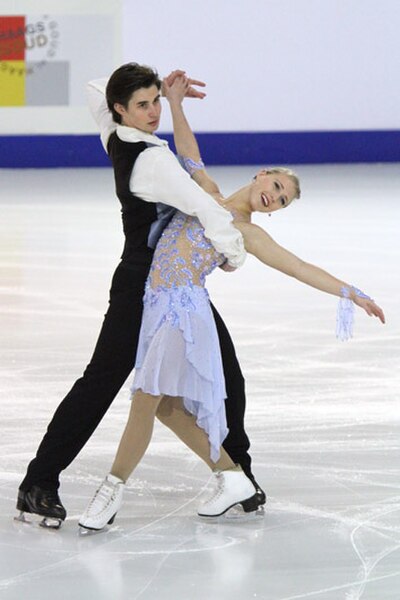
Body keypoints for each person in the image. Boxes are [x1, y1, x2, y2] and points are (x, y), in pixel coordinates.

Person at [78, 76, 385, 531]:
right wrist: (176, 103)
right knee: (165, 407)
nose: (274, 197)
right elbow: (188, 153)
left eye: (281, 201)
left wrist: (350, 292)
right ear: (262, 173)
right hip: (156, 303)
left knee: (145, 401)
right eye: (277, 185)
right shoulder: (207, 190)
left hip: (181, 313)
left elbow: (298, 267)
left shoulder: (248, 233)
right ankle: (230, 476)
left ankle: (112, 490)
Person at [15, 63, 266, 529]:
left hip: (169, 283)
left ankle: (239, 476)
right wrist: (233, 254)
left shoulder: (115, 132)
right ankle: (38, 483)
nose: (153, 113)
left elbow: (96, 88)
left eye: (154, 102)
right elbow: (205, 207)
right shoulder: (153, 162)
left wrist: (166, 95)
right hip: (143, 289)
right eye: (143, 105)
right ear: (121, 109)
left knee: (226, 373)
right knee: (102, 384)